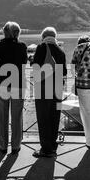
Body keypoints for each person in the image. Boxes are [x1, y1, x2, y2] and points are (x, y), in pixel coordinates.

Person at [0, 22, 27, 154]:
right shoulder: (22, 46)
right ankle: (16, 146)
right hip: (18, 85)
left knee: (1, 117)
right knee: (17, 116)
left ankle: (3, 146)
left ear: (5, 33)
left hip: (1, 84)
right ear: (17, 33)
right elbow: (25, 62)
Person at [32, 27, 67, 158]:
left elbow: (35, 67)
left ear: (43, 36)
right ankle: (52, 145)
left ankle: (45, 150)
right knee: (54, 116)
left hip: (43, 86)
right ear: (54, 37)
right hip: (57, 86)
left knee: (43, 116)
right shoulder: (60, 51)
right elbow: (64, 72)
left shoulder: (41, 47)